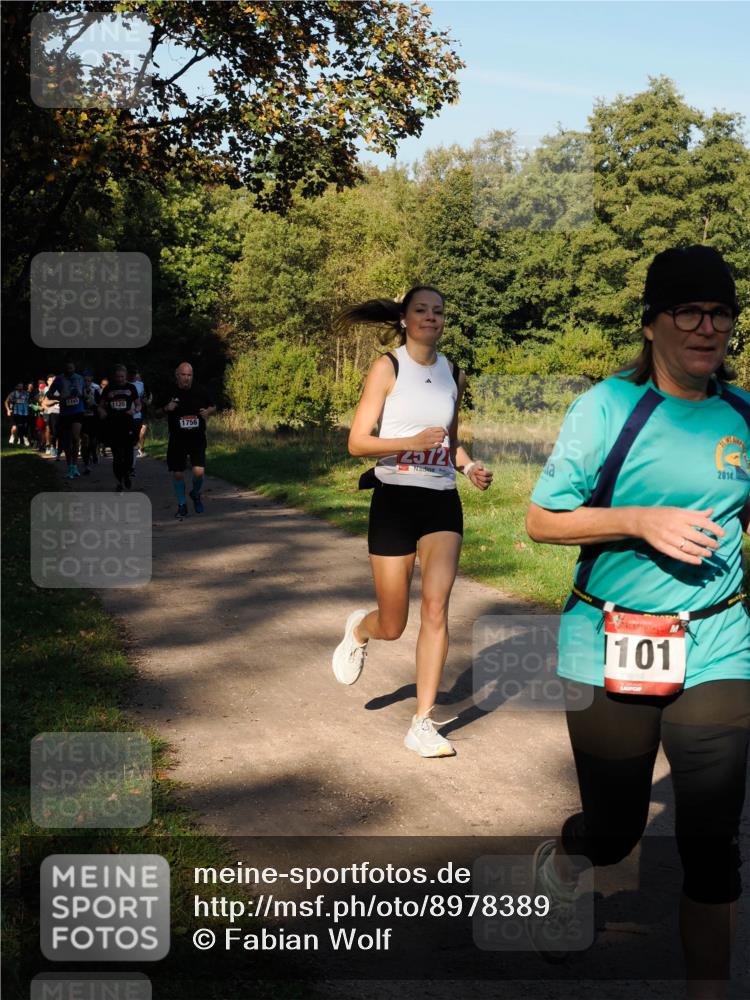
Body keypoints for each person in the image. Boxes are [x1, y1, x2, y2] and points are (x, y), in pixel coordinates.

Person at [525, 245, 749, 997]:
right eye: (688, 310)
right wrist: (638, 521)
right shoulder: (608, 409)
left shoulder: (745, 414)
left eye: (720, 313)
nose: (706, 327)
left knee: (713, 840)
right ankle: (569, 860)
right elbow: (540, 521)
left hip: (719, 641)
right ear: (652, 324)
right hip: (611, 640)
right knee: (617, 828)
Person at [331, 286, 493, 758]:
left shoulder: (452, 373)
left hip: (441, 499)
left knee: (437, 608)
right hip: (395, 498)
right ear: (405, 318)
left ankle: (422, 722)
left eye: (438, 312)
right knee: (394, 623)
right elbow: (358, 443)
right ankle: (361, 629)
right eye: (421, 310)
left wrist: (467, 467)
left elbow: (449, 440)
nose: (431, 317)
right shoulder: (389, 367)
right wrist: (409, 445)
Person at [161, 363, 216, 518]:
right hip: (177, 439)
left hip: (197, 438)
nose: (187, 378)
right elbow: (156, 411)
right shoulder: (170, 391)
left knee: (199, 472)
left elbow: (213, 406)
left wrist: (208, 411)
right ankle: (182, 505)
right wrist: (167, 408)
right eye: (184, 375)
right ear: (177, 375)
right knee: (178, 473)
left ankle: (195, 493)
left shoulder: (200, 390)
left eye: (189, 375)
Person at [98, 365, 140, 492]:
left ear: (126, 376)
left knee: (128, 455)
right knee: (117, 456)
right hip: (113, 424)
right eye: (118, 377)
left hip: (127, 423)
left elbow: (138, 404)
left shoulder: (131, 387)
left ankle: (126, 474)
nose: (120, 379)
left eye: (122, 376)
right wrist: (102, 412)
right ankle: (119, 482)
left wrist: (134, 410)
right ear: (114, 377)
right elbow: (101, 405)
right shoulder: (109, 388)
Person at [47, 361, 86, 478]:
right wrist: (60, 397)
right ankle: (70, 466)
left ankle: (75, 465)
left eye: (71, 368)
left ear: (75, 368)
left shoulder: (80, 378)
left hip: (78, 411)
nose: (70, 370)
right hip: (65, 413)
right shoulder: (59, 379)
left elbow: (84, 393)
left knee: (75, 438)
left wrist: (83, 395)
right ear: (64, 369)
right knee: (67, 441)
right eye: (67, 368)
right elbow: (49, 394)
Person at [80, 373, 101, 473]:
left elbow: (101, 404)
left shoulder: (96, 391)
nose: (87, 382)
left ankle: (94, 453)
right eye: (85, 380)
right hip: (83, 419)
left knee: (93, 441)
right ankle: (86, 463)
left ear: (91, 381)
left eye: (89, 380)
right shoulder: (79, 391)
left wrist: (94, 404)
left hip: (94, 419)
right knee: (85, 440)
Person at [5, 381, 30, 446]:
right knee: (14, 427)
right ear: (16, 387)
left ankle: (22, 439)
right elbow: (6, 401)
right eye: (19, 386)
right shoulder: (13, 393)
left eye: (21, 386)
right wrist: (8, 410)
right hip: (15, 412)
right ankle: (12, 436)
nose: (20, 387)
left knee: (23, 427)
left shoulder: (26, 393)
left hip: (24, 413)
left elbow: (29, 402)